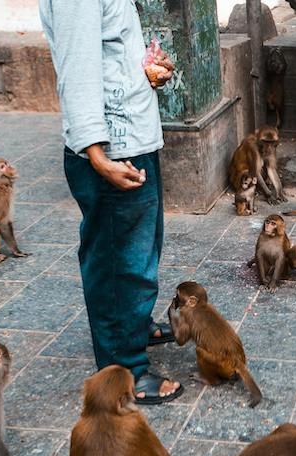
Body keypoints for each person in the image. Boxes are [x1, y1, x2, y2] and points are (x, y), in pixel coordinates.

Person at [40, 0, 182, 404]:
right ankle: (124, 370)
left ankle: (132, 329)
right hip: (111, 150)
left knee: (139, 251)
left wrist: (147, 70)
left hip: (130, 139)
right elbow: (78, 68)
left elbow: (108, 56)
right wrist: (98, 155)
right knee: (119, 262)